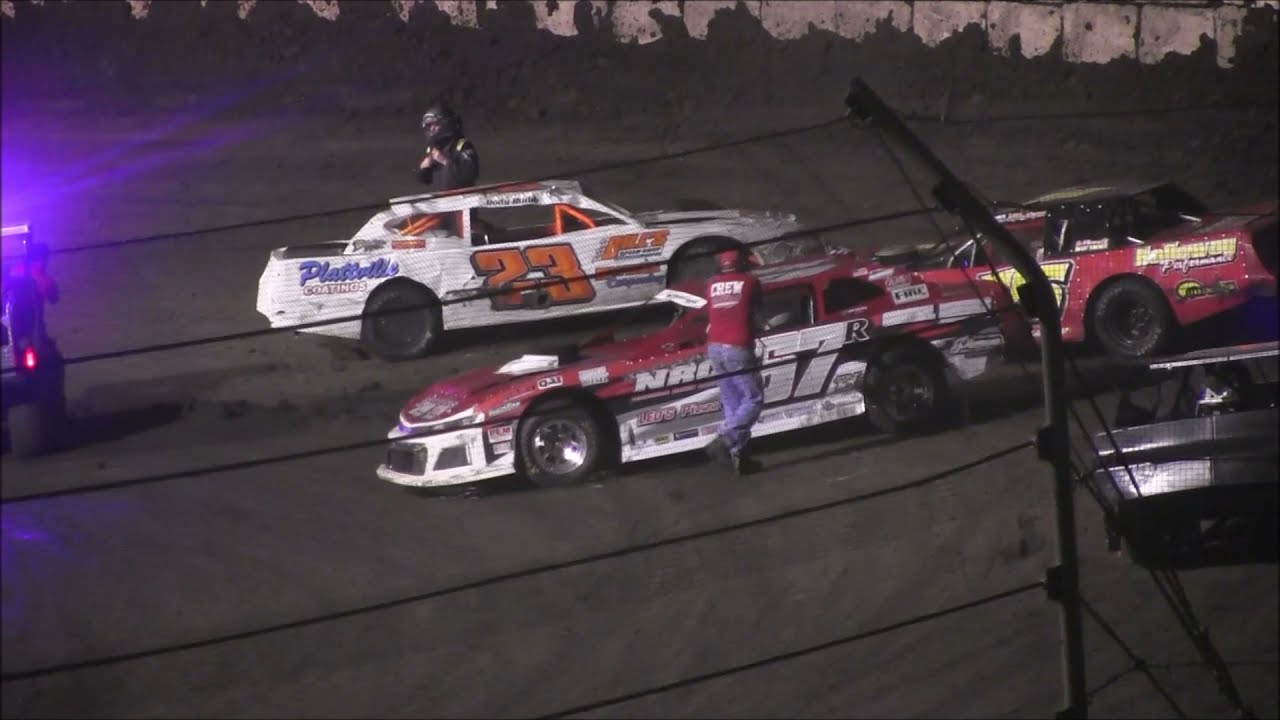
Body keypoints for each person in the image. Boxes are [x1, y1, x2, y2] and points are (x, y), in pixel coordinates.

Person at [703, 247, 766, 475]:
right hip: (738, 347)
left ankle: (739, 456)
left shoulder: (710, 284)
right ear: (741, 264)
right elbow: (757, 309)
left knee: (732, 403)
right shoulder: (750, 282)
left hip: (714, 347)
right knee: (753, 399)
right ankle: (726, 440)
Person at [417, 100, 479, 193]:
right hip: (441, 198)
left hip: (462, 198)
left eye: (436, 124)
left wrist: (444, 161)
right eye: (429, 125)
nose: (432, 128)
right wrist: (424, 169)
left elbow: (471, 174)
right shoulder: (433, 148)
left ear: (446, 124)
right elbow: (427, 181)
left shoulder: (463, 145)